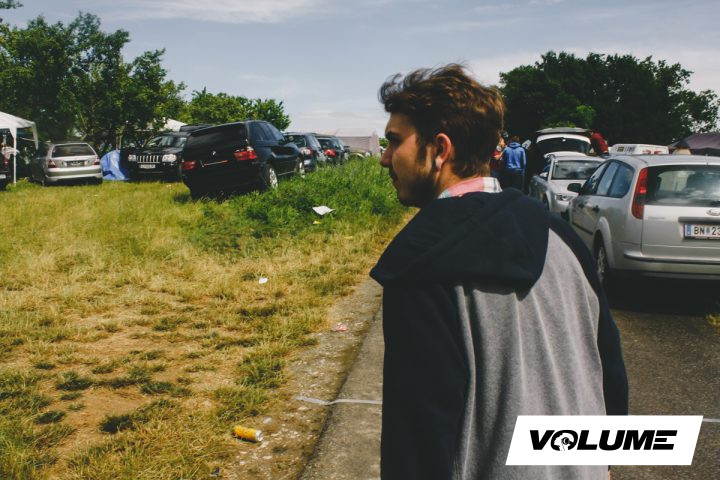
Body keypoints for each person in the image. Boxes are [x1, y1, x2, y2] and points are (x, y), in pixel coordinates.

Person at [371, 64, 628, 479]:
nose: (385, 158)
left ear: (440, 149)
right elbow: (609, 369)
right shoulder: (562, 237)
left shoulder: (421, 264)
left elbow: (420, 436)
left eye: (395, 141)